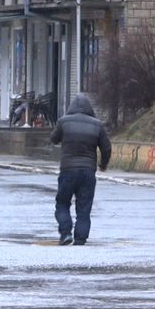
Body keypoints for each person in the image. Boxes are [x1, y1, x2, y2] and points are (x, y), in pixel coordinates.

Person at [49, 94, 111, 246]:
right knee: (84, 207)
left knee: (62, 203)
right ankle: (80, 239)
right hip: (88, 171)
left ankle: (65, 233)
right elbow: (107, 147)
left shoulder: (63, 122)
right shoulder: (97, 125)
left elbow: (53, 139)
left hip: (68, 170)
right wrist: (103, 165)